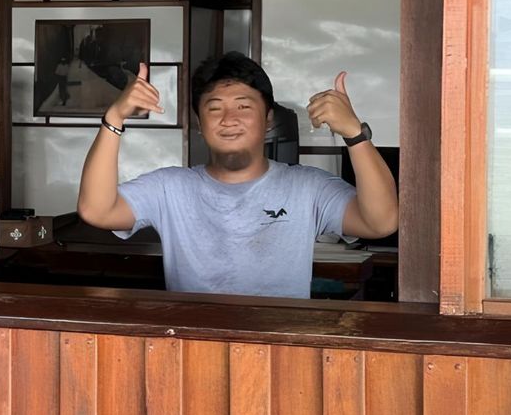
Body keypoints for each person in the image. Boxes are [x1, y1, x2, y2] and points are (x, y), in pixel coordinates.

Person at [75, 51, 399, 299]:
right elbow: (97, 210)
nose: (229, 118)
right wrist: (115, 116)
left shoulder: (306, 186)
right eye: (215, 108)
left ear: (268, 118)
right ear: (200, 125)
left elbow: (380, 222)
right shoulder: (170, 188)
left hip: (279, 354)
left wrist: (355, 134)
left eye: (244, 106)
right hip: (194, 351)